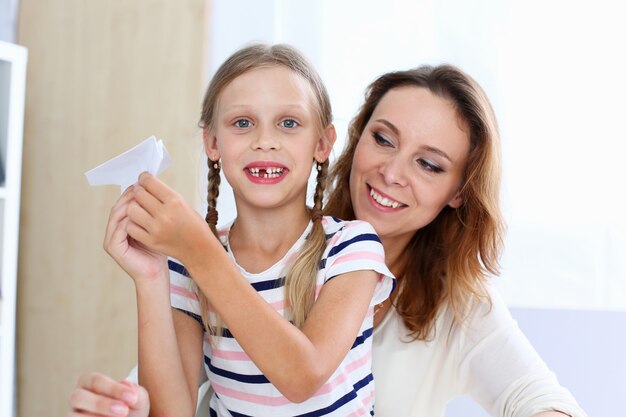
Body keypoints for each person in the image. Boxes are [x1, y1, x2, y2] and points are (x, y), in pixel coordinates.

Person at [69, 63, 587, 417]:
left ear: (459, 192)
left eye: (429, 164)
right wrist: (132, 405)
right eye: (383, 139)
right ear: (349, 139)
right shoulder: (232, 259)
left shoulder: (459, 307)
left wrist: (197, 251)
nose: (391, 172)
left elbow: (541, 399)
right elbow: (164, 396)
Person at [70, 43, 394, 417]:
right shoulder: (189, 267)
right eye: (242, 123)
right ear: (212, 143)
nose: (265, 141)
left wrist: (196, 250)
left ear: (322, 143)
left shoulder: (351, 247)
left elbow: (302, 377)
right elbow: (171, 412)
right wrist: (150, 276)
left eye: (289, 123)